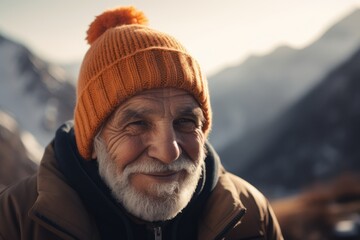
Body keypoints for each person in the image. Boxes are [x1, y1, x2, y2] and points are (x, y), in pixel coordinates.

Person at [0, 6, 283, 240]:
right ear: (93, 140)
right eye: (137, 124)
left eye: (186, 121)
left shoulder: (250, 215)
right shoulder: (15, 221)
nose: (169, 152)